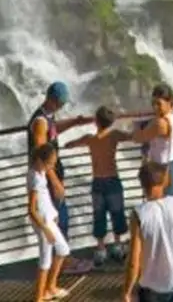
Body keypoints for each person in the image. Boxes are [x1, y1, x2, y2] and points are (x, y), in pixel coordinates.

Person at [122, 159, 173, 302]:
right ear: (165, 181)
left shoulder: (139, 214)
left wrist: (127, 292)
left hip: (151, 287)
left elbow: (134, 261)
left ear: (142, 184)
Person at [63, 106, 131, 267]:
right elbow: (131, 136)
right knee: (117, 213)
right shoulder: (114, 135)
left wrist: (69, 142)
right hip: (113, 181)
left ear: (96, 122)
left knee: (99, 215)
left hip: (98, 182)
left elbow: (70, 144)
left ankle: (101, 248)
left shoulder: (90, 139)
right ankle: (117, 245)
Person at [27, 81, 93, 241]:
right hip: (48, 178)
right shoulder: (40, 122)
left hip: (52, 174)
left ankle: (63, 258)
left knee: (60, 216)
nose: (62, 106)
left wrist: (75, 122)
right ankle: (63, 259)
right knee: (58, 218)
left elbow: (54, 129)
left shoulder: (47, 117)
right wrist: (55, 181)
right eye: (61, 103)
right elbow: (42, 155)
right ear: (52, 100)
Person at [28, 142, 72, 302]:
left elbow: (44, 199)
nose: (51, 167)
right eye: (50, 164)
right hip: (43, 223)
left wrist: (53, 213)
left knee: (63, 250)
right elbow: (32, 210)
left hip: (48, 219)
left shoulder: (39, 174)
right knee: (45, 260)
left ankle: (50, 287)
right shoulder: (35, 178)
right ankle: (39, 297)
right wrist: (45, 229)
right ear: (40, 161)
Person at [128, 84, 173, 198]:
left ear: (169, 101)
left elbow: (138, 138)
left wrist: (136, 124)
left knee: (163, 206)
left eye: (159, 104)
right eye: (153, 103)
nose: (155, 107)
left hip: (164, 171)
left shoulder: (161, 124)